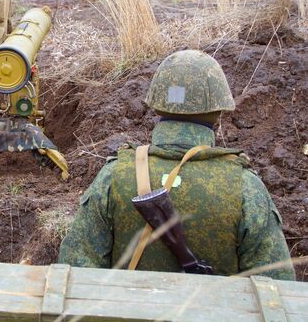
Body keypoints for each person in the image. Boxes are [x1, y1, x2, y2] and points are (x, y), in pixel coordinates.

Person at [58, 49, 295, 280]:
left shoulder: (114, 176)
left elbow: (76, 271)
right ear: (218, 109)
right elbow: (277, 289)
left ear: (157, 104)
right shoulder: (245, 187)